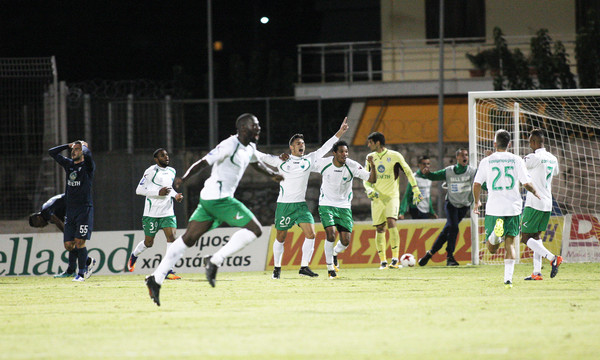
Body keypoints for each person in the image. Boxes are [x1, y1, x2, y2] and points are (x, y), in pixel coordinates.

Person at [145, 113, 283, 306]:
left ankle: (155, 279)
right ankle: (215, 260)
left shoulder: (249, 147)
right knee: (256, 229)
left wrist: (272, 175)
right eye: (255, 125)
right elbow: (203, 162)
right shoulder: (229, 144)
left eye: (258, 125)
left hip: (209, 199)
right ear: (243, 128)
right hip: (219, 199)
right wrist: (184, 179)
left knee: (188, 240)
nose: (258, 128)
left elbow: (256, 163)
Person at [257, 118, 349, 279]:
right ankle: (277, 269)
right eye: (298, 143)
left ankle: (304, 267)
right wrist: (242, 147)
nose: (302, 145)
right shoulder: (281, 161)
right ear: (291, 147)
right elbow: (263, 156)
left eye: (303, 143)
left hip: (300, 205)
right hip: (284, 205)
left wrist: (340, 132)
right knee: (281, 237)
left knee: (311, 234)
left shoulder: (309, 159)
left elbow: (325, 148)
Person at [472, 129, 539, 288]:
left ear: (495, 144)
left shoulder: (486, 161)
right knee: (510, 244)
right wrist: (536, 192)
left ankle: (496, 234)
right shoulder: (516, 160)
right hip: (513, 208)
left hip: (494, 208)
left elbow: (476, 184)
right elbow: (526, 183)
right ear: (509, 144)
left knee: (492, 249)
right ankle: (508, 280)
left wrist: (476, 202)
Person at [313, 140, 376, 278]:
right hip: (326, 204)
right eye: (341, 151)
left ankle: (335, 253)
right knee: (330, 234)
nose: (344, 154)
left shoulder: (352, 165)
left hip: (343, 206)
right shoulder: (324, 163)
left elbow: (371, 179)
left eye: (346, 152)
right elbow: (305, 166)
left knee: (346, 241)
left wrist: (373, 165)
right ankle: (330, 268)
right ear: (334, 153)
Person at [363, 132, 422, 269]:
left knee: (391, 221)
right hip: (377, 198)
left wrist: (415, 189)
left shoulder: (395, 156)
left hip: (392, 196)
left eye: (370, 142)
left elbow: (408, 171)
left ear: (377, 143)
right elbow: (366, 178)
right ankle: (383, 261)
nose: (368, 145)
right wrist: (369, 190)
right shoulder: (369, 157)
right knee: (379, 228)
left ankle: (395, 259)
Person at [128, 148, 184, 280]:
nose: (166, 157)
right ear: (156, 159)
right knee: (149, 243)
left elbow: (168, 189)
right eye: (162, 156)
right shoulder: (150, 171)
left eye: (166, 155)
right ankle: (134, 255)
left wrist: (175, 195)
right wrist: (157, 193)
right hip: (151, 213)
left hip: (167, 211)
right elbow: (139, 190)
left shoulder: (172, 171)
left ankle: (168, 270)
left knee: (172, 238)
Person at [417, 149, 477, 266]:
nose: (465, 157)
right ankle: (450, 256)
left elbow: (482, 181)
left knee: (448, 230)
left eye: (466, 155)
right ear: (457, 158)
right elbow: (435, 176)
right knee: (454, 227)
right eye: (462, 155)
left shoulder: (472, 171)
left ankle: (430, 253)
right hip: (451, 204)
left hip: (464, 205)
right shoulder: (449, 171)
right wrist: (428, 174)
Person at [48, 140, 97, 282]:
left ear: (83, 152)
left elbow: (88, 156)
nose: (73, 151)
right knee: (69, 245)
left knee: (79, 242)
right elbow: (52, 152)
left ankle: (81, 273)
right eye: (73, 149)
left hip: (84, 210)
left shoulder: (88, 166)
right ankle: (87, 261)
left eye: (77, 149)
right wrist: (67, 145)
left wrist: (85, 146)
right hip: (70, 210)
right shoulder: (69, 165)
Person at [519, 129, 562, 280]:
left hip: (534, 202)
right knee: (536, 237)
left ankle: (552, 258)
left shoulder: (533, 157)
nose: (529, 143)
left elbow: (519, 166)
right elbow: (555, 173)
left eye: (530, 141)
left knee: (524, 237)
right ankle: (536, 272)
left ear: (534, 142)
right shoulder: (552, 158)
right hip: (547, 203)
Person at [399, 156, 436, 220]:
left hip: (425, 208)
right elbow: (407, 195)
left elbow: (428, 196)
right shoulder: (414, 178)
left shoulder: (429, 178)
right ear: (419, 165)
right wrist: (402, 212)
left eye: (428, 164)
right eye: (424, 164)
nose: (426, 166)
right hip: (416, 208)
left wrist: (432, 211)